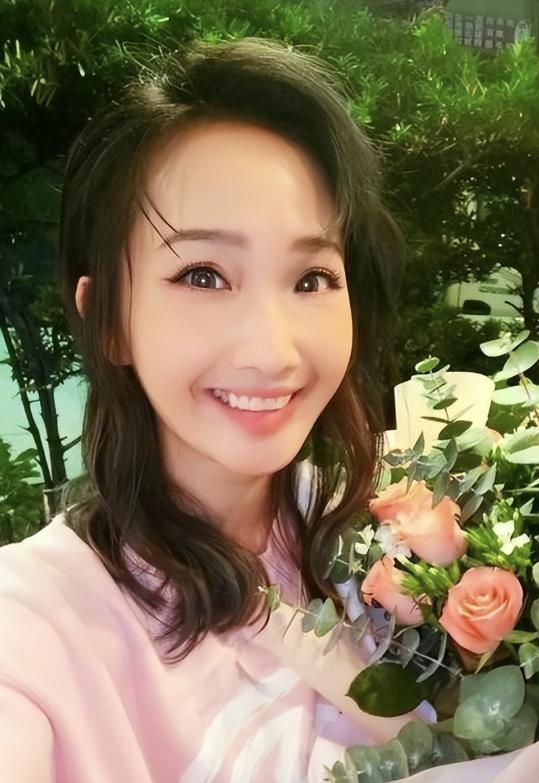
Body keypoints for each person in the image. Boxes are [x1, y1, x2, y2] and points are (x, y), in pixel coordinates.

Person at [0, 37, 406, 782]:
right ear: (106, 318)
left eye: (311, 278)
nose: (273, 352)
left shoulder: (392, 533)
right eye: (203, 275)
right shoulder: (36, 626)